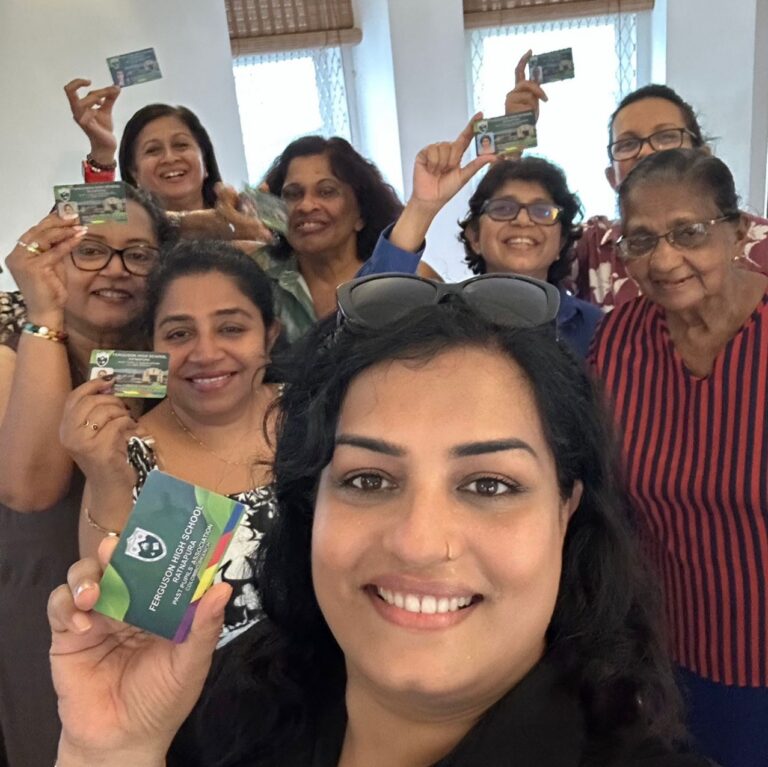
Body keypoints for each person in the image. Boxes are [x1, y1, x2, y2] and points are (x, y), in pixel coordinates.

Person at [48, 275, 709, 766]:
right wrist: (113, 749)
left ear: (566, 510)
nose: (418, 542)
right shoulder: (226, 709)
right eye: (368, 480)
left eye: (489, 484)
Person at [590, 148, 768, 766]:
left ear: (737, 231)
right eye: (641, 241)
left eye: (689, 232)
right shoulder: (621, 335)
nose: (664, 261)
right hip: (664, 651)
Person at [0, 186, 173, 767]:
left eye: (138, 255)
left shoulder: (173, 357)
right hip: (46, 610)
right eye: (91, 251)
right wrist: (45, 315)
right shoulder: (8, 355)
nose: (116, 270)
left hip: (157, 607)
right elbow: (31, 491)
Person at [59, 241, 282, 644]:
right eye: (179, 334)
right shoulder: (128, 455)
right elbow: (127, 634)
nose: (206, 353)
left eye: (231, 328)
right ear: (153, 348)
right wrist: (109, 480)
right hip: (206, 681)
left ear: (269, 337)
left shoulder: (314, 417)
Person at [503, 56, 768, 310]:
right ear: (612, 178)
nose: (646, 152)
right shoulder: (594, 247)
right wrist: (513, 138)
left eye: (666, 136)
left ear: (703, 157)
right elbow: (517, 240)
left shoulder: (759, 241)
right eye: (628, 144)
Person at [369, 117, 603, 357]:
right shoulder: (441, 317)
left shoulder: (596, 327)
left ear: (561, 242)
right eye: (503, 208)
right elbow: (369, 313)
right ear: (474, 238)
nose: (523, 221)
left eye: (542, 211)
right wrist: (421, 206)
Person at [258, 135, 442, 341]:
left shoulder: (415, 279)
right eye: (293, 194)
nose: (306, 206)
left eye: (326, 192)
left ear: (361, 212)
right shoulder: (260, 279)